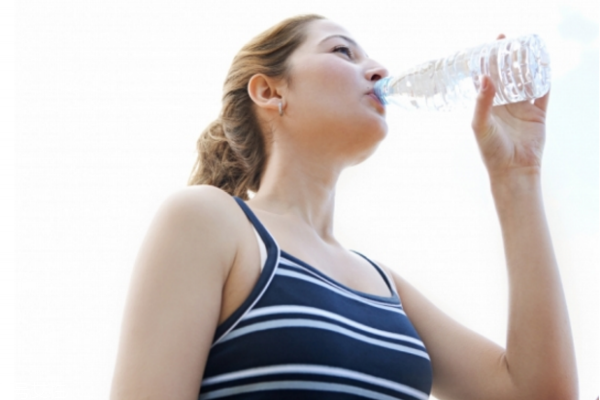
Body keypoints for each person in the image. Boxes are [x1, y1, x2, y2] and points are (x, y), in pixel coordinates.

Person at [109, 14, 578, 400]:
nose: (377, 69)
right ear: (270, 92)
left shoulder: (386, 286)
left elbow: (538, 394)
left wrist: (517, 176)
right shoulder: (209, 221)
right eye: (342, 52)